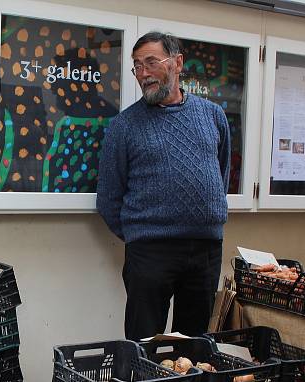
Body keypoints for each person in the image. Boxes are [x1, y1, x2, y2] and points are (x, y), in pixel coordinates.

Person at [97, 32, 230, 341]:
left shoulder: (212, 115)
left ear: (177, 63)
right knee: (144, 344)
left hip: (206, 250)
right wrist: (142, 231)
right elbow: (108, 198)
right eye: (137, 66)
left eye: (151, 63)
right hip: (150, 251)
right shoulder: (124, 126)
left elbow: (220, 175)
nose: (143, 73)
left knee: (196, 345)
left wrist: (205, 216)